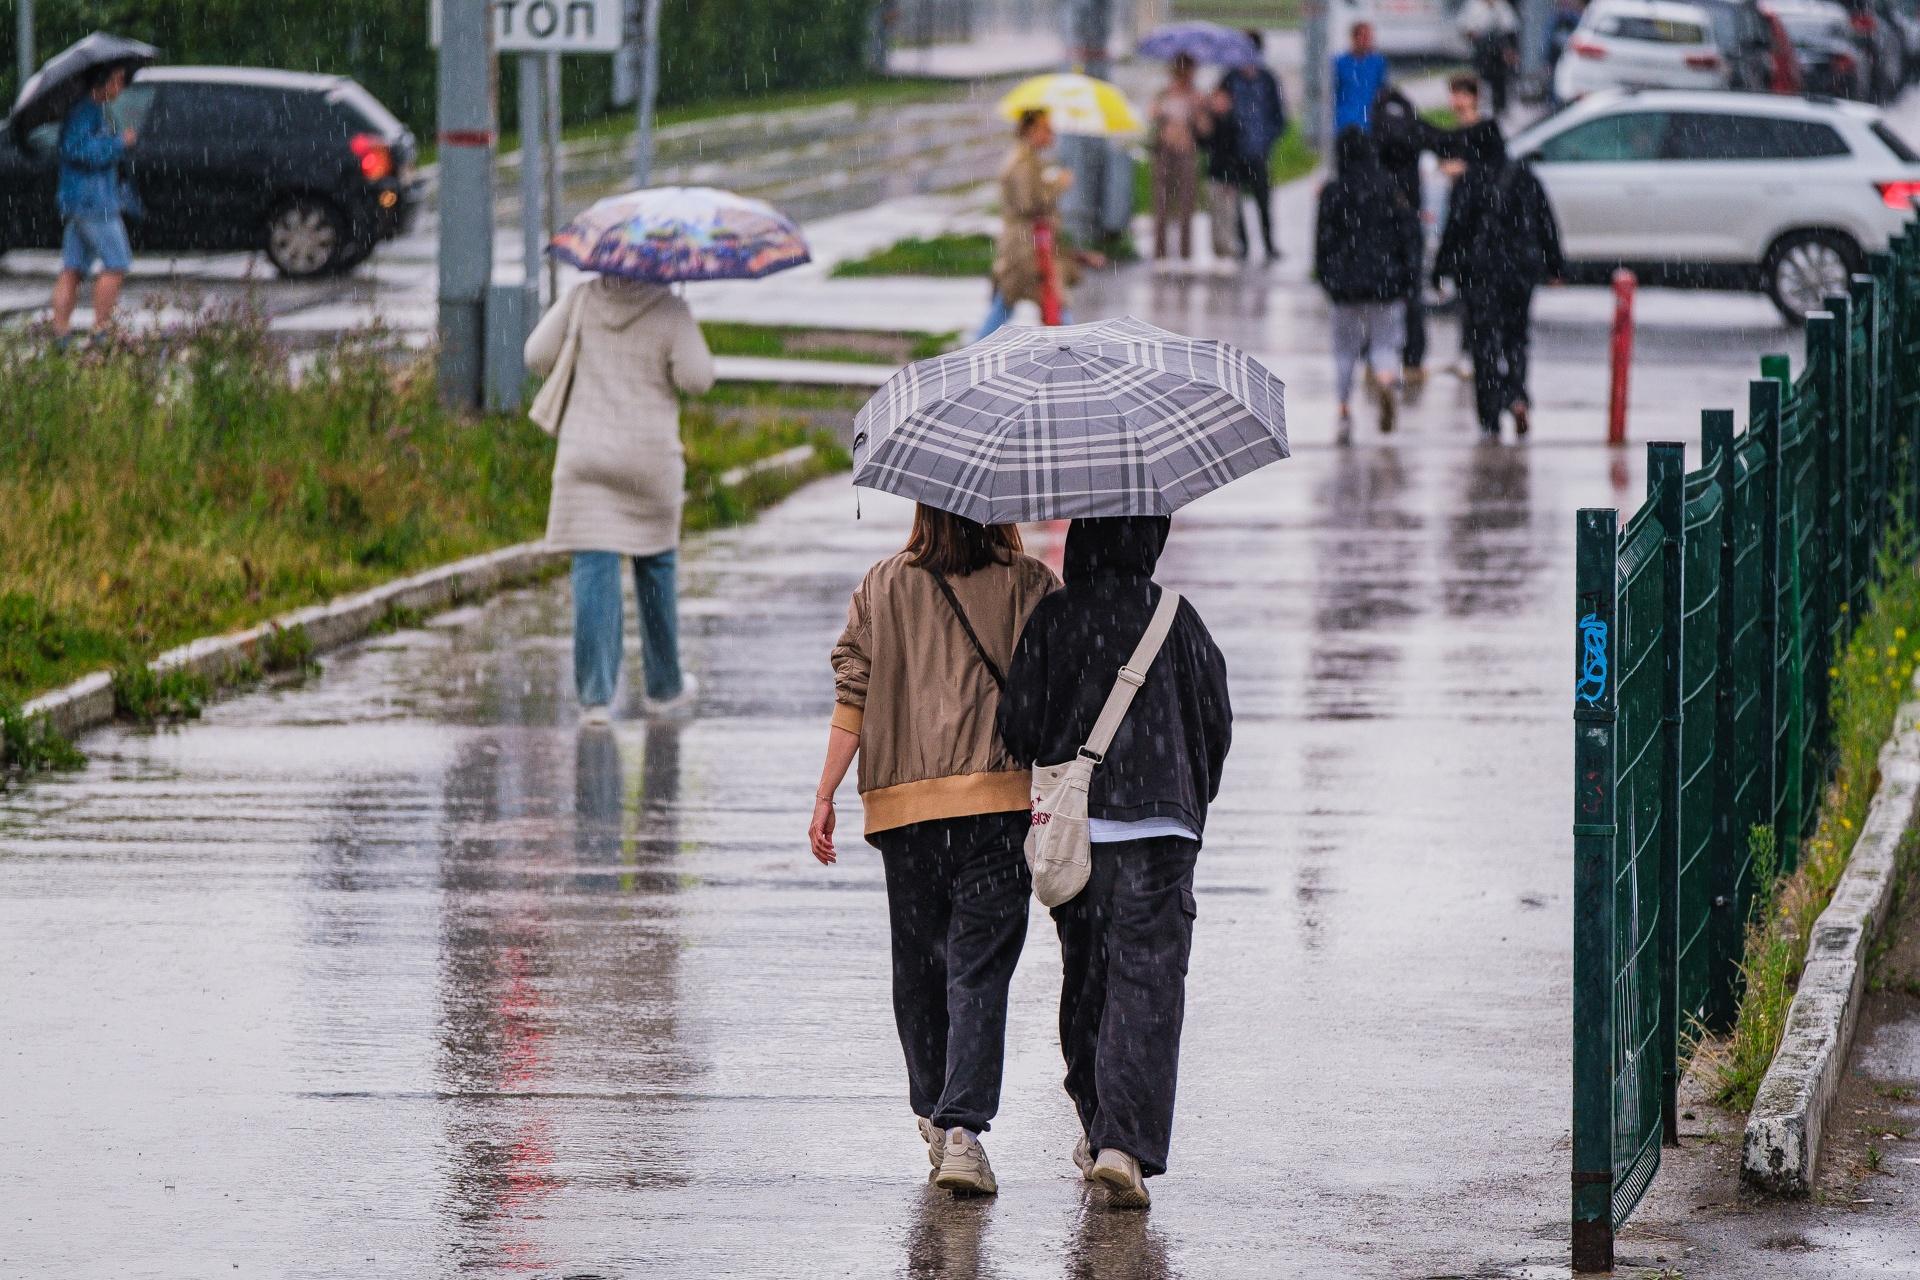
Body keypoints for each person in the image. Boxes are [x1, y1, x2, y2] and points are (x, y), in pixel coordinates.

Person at [811, 505, 1059, 1197]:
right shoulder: (1031, 585)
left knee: (918, 963)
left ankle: (932, 1104)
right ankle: (961, 1131)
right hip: (997, 804)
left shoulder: (881, 587)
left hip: (904, 810)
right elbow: (1057, 690)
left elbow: (851, 696)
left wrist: (825, 793)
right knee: (979, 969)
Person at [996, 516, 1233, 1211]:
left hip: (1080, 833)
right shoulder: (1178, 620)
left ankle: (1100, 1122)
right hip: (1163, 827)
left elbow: (1018, 730)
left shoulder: (1055, 617)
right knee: (1149, 987)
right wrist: (1187, 796)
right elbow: (1216, 724)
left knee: (1089, 982)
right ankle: (1121, 1145)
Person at [525, 275, 715, 721]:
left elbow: (536, 356)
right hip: (649, 460)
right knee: (655, 567)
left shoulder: (582, 297)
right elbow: (698, 380)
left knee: (593, 570)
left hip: (585, 455)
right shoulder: (671, 309)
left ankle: (595, 698)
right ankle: (664, 687)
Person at [1433, 121, 1565, 440]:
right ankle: (1517, 395)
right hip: (1519, 272)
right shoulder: (1525, 178)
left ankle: (1490, 416)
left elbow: (1454, 229)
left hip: (1480, 275)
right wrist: (1555, 266)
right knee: (1516, 337)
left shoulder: (1469, 181)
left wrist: (1439, 270)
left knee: (1484, 345)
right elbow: (1546, 223)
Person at [1314, 127, 1419, 439]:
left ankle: (1344, 409)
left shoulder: (1333, 191)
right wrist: (1407, 276)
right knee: (1385, 343)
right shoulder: (1390, 188)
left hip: (1344, 285)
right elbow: (1408, 236)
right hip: (1385, 282)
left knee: (1344, 350)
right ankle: (1386, 380)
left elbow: (1322, 242)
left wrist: (1327, 277)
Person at [50, 65, 138, 344]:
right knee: (116, 263)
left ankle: (61, 333)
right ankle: (101, 331)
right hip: (93, 203)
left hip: (80, 201)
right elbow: (80, 152)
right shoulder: (86, 112)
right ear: (104, 82)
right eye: (118, 81)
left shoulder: (91, 111)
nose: (121, 88)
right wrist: (118, 143)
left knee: (73, 266)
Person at [1369, 83, 1441, 382]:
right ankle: (1414, 354)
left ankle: (1378, 357)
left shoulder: (1376, 129)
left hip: (1381, 218)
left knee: (1379, 291)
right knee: (1413, 290)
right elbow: (1438, 141)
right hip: (1410, 215)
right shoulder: (1413, 128)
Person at [979, 109, 1073, 338]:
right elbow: (1028, 205)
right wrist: (1058, 185)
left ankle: (972, 353)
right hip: (1024, 247)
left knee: (1011, 302)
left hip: (1027, 244)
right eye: (1046, 129)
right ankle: (1073, 346)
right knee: (1051, 301)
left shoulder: (1029, 160)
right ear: (1030, 130)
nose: (1051, 135)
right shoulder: (1022, 163)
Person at [1226, 30, 1288, 261]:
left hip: (1259, 150)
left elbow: (1279, 116)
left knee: (1263, 200)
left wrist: (1266, 139)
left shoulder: (1267, 79)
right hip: (1235, 149)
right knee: (1237, 203)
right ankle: (1243, 245)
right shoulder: (1230, 78)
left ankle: (1269, 245)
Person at [1149, 53, 1206, 262]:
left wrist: (1198, 108)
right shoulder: (1164, 94)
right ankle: (1160, 253)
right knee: (1161, 204)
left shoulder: (1195, 96)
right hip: (1164, 151)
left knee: (1186, 203)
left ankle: (1185, 253)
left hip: (1186, 151)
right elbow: (1152, 115)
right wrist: (1164, 110)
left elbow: (1204, 129)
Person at [1200, 86, 1246, 261]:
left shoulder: (1234, 123)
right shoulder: (1211, 123)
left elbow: (1237, 154)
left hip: (1230, 177)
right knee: (1215, 215)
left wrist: (1233, 178)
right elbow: (1204, 144)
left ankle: (1229, 250)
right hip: (1213, 175)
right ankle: (1217, 251)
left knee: (1229, 216)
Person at [1456, 0, 1522, 115]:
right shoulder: (1473, 5)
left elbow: (1510, 28)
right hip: (1481, 50)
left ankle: (1500, 111)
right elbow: (1465, 27)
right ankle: (1484, 111)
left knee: (1500, 83)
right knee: (1483, 83)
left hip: (1498, 52)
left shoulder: (1501, 6)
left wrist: (1510, 51)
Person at [1332, 22, 1389, 134]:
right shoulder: (1339, 63)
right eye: (1364, 37)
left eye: (1369, 37)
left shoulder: (1378, 62)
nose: (1367, 41)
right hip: (1344, 121)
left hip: (1370, 120)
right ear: (1354, 38)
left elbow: (1382, 89)